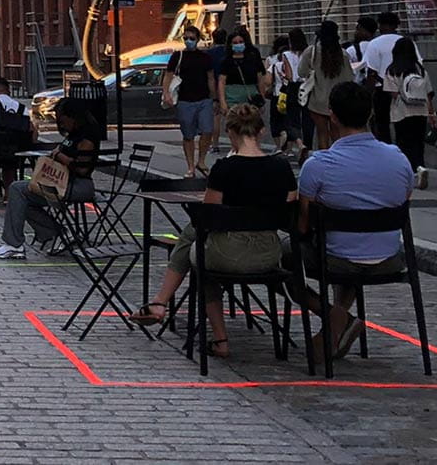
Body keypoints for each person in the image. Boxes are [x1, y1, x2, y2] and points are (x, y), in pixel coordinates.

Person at [130, 105, 298, 358]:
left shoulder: (223, 168)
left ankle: (211, 333)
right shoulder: (281, 167)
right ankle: (161, 303)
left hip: (228, 253)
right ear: (261, 131)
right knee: (197, 237)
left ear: (230, 132)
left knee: (198, 246)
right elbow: (290, 209)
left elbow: (208, 216)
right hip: (268, 253)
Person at [287, 80, 415, 366]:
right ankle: (340, 321)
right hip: (389, 257)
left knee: (283, 256)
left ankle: (335, 319)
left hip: (336, 258)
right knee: (349, 248)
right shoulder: (399, 159)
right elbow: (404, 199)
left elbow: (303, 226)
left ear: (332, 115)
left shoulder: (318, 164)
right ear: (370, 113)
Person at [0, 98, 100, 259]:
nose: (61, 125)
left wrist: (60, 156)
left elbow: (81, 169)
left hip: (77, 185)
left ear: (73, 117)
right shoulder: (73, 134)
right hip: (62, 182)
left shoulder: (87, 137)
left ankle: (13, 244)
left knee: (17, 189)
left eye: (63, 120)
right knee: (20, 196)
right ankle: (58, 234)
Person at [168, 25, 220, 178]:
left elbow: (211, 78)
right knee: (188, 134)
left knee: (207, 130)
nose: (188, 41)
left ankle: (201, 160)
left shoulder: (205, 58)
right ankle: (190, 166)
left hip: (204, 98)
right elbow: (168, 75)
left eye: (192, 38)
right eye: (186, 38)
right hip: (185, 99)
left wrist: (214, 97)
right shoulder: (178, 56)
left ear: (198, 39)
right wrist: (166, 92)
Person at [383, 37, 435, 189]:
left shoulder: (392, 70)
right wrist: (432, 114)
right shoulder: (420, 69)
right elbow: (429, 93)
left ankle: (410, 172)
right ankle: (420, 166)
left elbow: (392, 93)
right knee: (418, 142)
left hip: (401, 112)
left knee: (404, 143)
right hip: (421, 111)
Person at [360, 11, 416, 143]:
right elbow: (418, 64)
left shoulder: (374, 44)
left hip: (383, 90)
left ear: (380, 25)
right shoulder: (407, 42)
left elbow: (371, 73)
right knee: (404, 126)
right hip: (406, 89)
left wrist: (368, 95)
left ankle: (386, 153)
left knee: (382, 125)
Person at [297, 20, 349, 153]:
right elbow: (349, 78)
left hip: (317, 99)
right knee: (337, 135)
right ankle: (338, 158)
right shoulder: (343, 54)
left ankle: (325, 161)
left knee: (322, 134)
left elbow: (301, 72)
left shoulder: (312, 52)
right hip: (337, 101)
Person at [267, 32, 304, 159]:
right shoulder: (306, 54)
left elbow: (288, 76)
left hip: (288, 90)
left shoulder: (285, 56)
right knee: (300, 119)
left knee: (286, 120)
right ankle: (295, 146)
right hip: (305, 87)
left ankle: (296, 145)